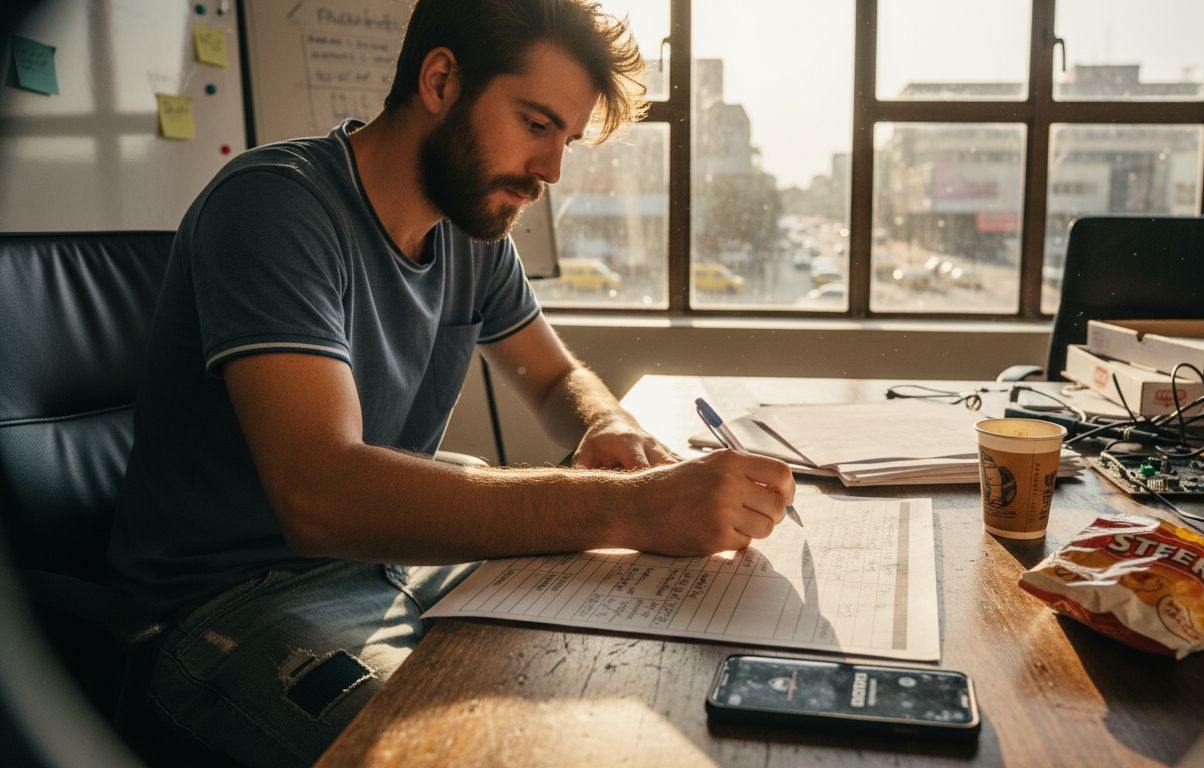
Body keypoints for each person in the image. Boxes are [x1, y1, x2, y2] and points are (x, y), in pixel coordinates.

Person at [106, 1, 795, 764]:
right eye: (536, 124)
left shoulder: (470, 232)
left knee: (637, 662)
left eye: (564, 140)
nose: (551, 172)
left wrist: (606, 425)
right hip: (234, 604)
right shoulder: (273, 205)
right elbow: (320, 496)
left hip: (398, 562)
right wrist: (631, 508)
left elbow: (555, 377)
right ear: (440, 80)